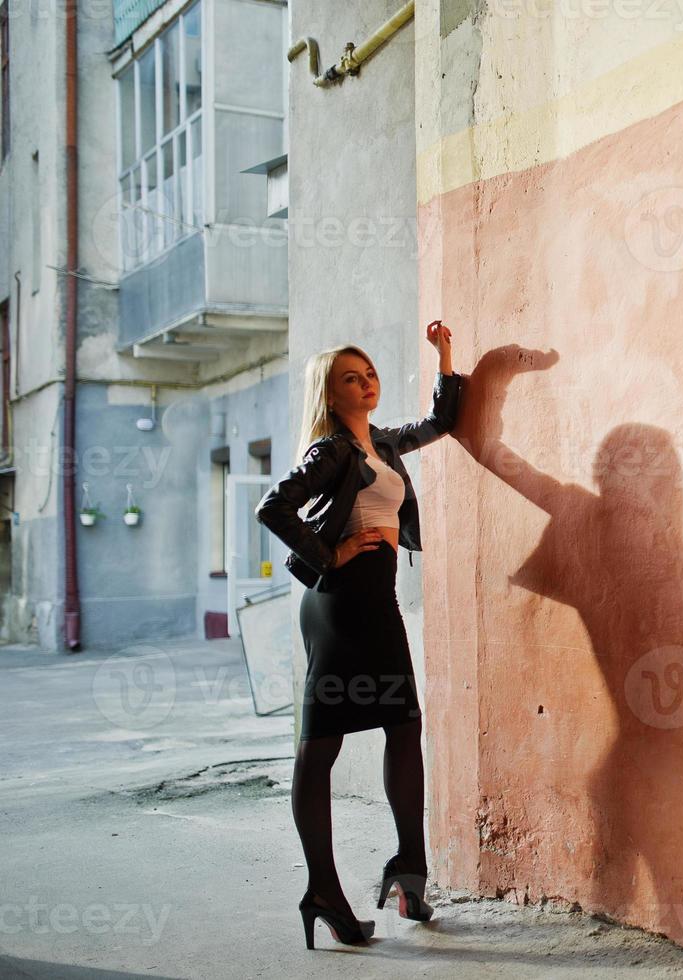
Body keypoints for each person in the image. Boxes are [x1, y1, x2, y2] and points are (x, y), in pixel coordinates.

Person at [254, 321, 463, 949]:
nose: (367, 382)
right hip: (341, 603)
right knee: (321, 749)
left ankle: (409, 868)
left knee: (404, 728)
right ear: (330, 391)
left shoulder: (382, 444)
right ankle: (324, 890)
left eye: (369, 373)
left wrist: (445, 357)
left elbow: (441, 422)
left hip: (378, 601)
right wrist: (330, 555)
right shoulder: (330, 452)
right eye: (352, 377)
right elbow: (273, 506)